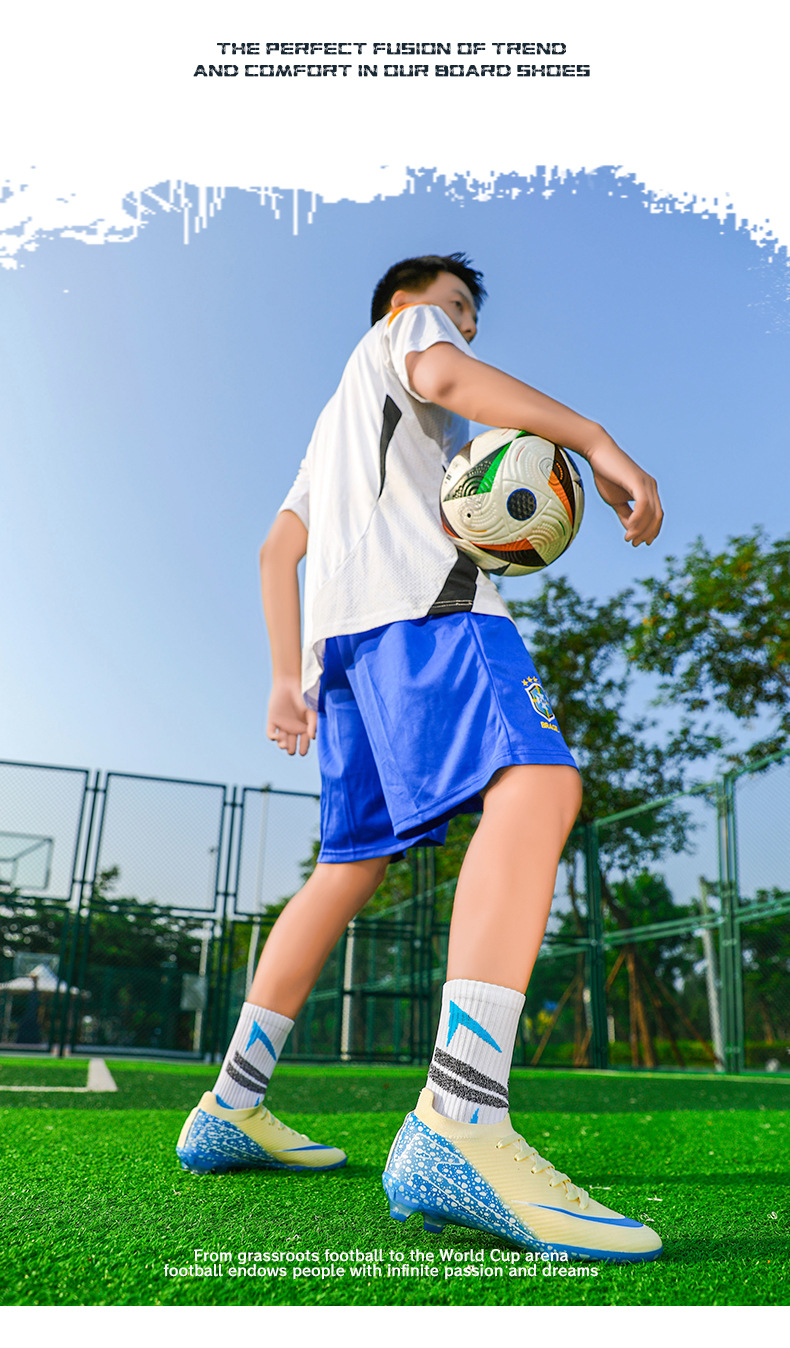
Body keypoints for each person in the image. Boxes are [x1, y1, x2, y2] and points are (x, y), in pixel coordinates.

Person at [176, 254, 663, 1263]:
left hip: (341, 654)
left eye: (469, 318)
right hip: (422, 607)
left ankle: (230, 1102)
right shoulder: (402, 335)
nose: (464, 328)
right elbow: (443, 375)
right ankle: (461, 1117)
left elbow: (277, 550)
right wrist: (596, 439)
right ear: (407, 305)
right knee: (541, 783)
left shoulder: (334, 427)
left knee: (348, 867)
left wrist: (285, 678)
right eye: (458, 308)